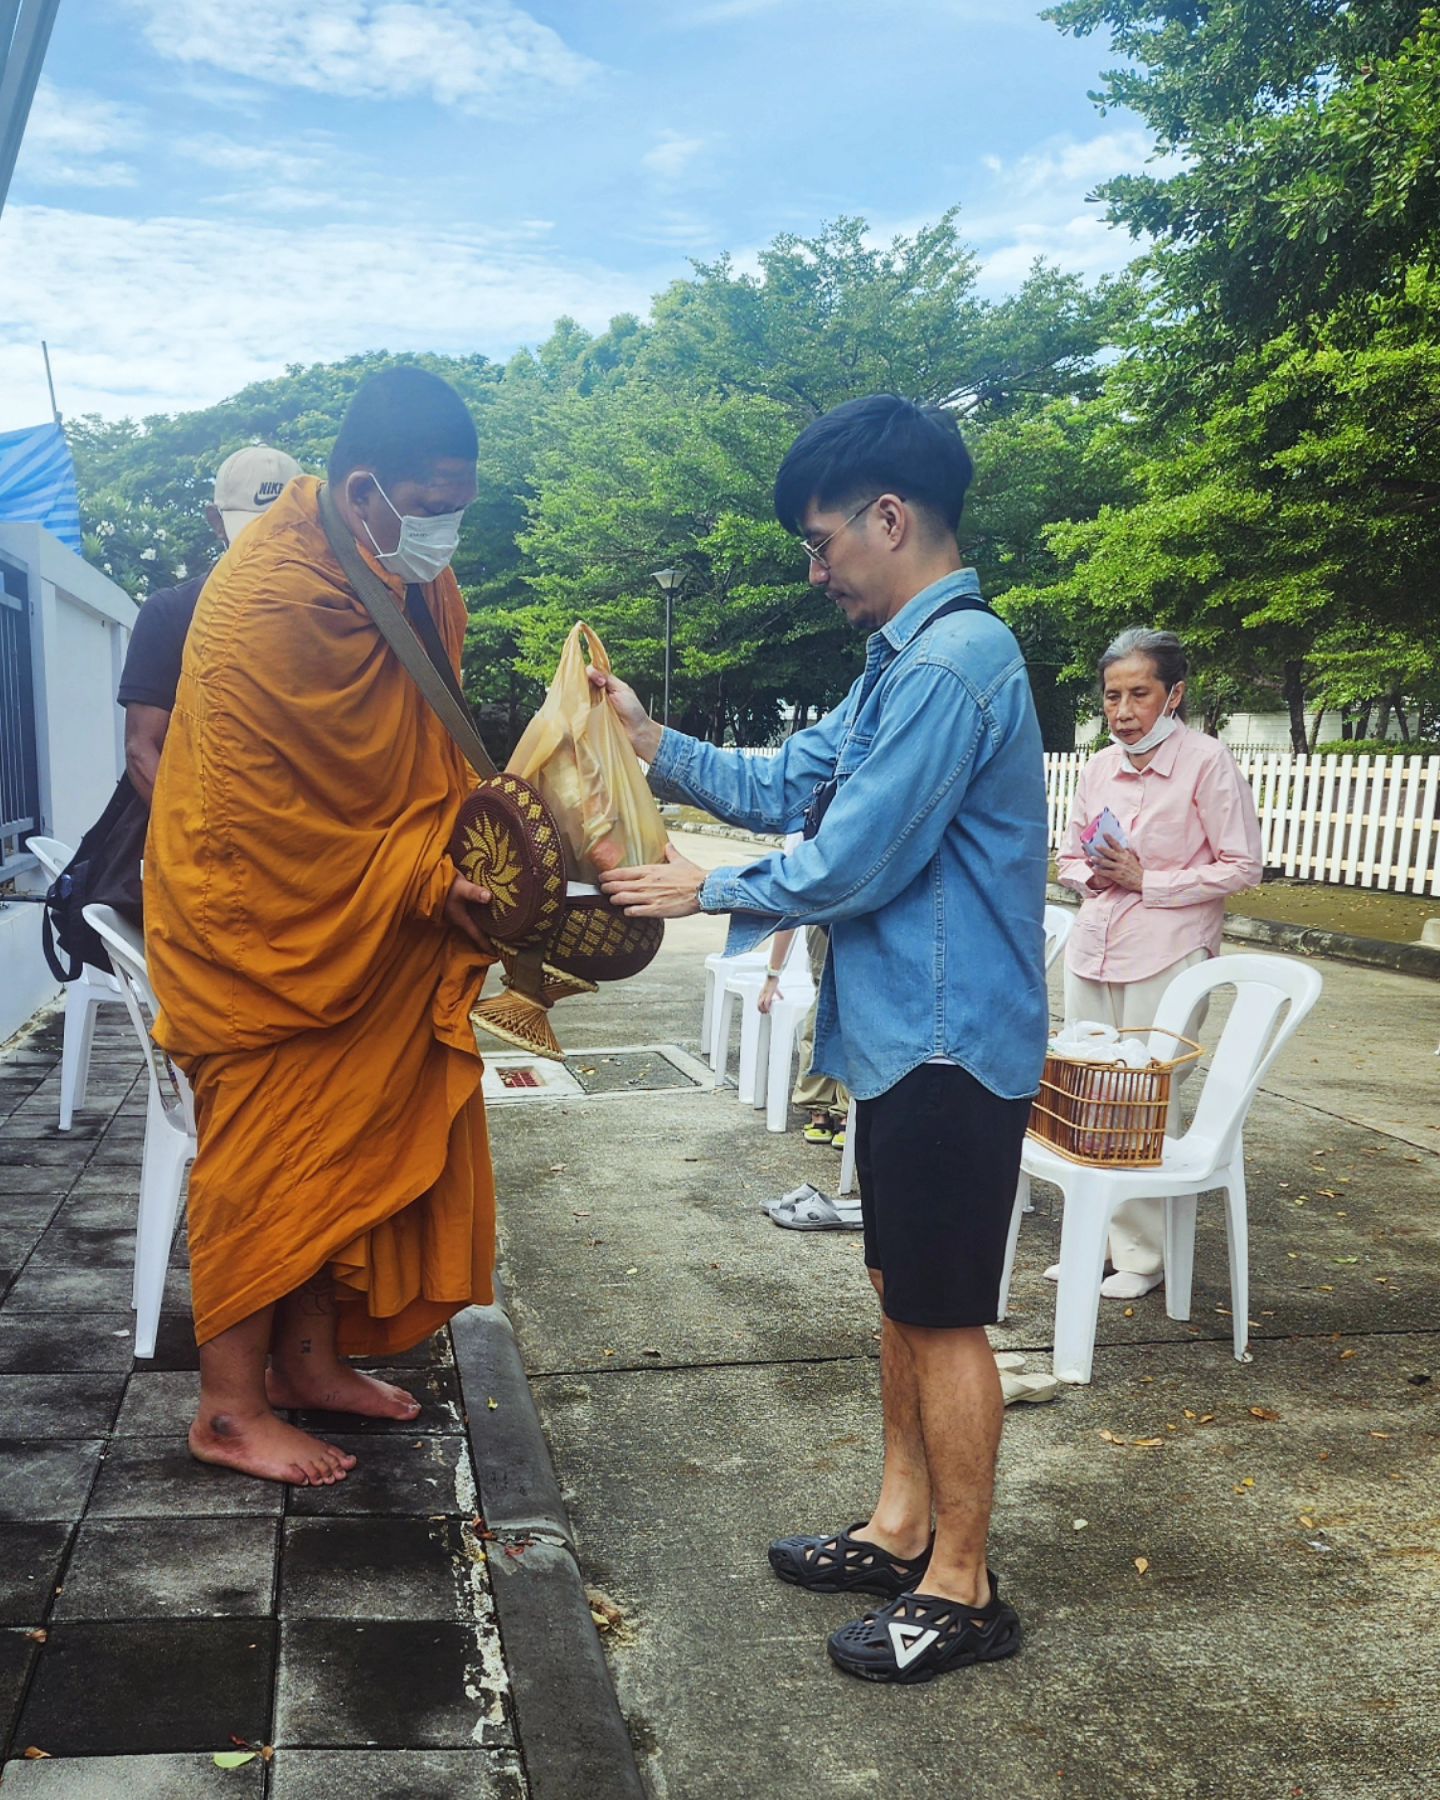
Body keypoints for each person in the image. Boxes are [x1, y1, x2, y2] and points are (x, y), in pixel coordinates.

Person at [591, 393, 1049, 1685]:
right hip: (908, 1037)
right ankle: (902, 1522)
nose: (815, 567)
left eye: (822, 539)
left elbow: (858, 854)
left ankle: (962, 1581)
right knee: (902, 1289)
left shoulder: (959, 667)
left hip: (955, 1044)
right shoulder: (902, 663)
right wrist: (653, 744)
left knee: (948, 1313)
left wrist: (707, 887)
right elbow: (796, 778)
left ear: (889, 518)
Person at [145, 367, 497, 1488]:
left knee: (332, 1155)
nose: (445, 529)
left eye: (458, 505)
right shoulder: (273, 599)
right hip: (265, 929)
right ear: (361, 491)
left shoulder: (397, 576)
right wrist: (421, 875)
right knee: (264, 1156)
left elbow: (410, 754)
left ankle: (309, 1363)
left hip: (365, 928)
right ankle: (231, 1409)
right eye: (431, 502)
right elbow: (270, 816)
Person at [1052, 628, 1263, 1299]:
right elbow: (1068, 856)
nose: (1122, 710)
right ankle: (1096, 1244)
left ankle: (1142, 1258)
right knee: (1087, 1094)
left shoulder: (1207, 763)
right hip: (1095, 947)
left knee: (1145, 1103)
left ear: (1173, 694)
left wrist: (1152, 881)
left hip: (1167, 954)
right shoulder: (1098, 767)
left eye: (1138, 693)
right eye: (1112, 695)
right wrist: (1095, 874)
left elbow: (1241, 866)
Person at [121, 446, 303, 804]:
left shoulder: (338, 612)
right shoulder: (172, 612)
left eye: (284, 529)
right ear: (216, 521)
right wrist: (199, 834)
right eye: (256, 530)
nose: (269, 545)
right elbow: (142, 749)